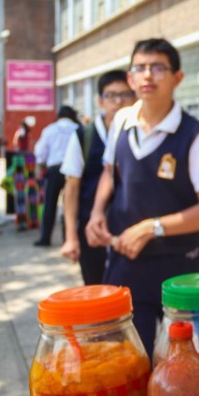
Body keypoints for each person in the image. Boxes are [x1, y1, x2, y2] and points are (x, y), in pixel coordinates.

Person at [86, 38, 199, 360]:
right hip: (125, 262)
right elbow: (110, 172)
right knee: (124, 361)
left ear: (177, 78)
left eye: (158, 67)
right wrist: (96, 213)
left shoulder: (196, 136)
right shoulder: (121, 121)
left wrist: (153, 227)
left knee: (185, 366)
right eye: (140, 68)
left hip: (178, 266)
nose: (148, 75)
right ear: (131, 78)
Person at [60, 71, 136, 284]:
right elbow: (72, 188)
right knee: (97, 293)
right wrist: (71, 237)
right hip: (92, 230)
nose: (119, 101)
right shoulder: (84, 136)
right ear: (100, 101)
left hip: (131, 230)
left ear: (135, 97)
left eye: (126, 94)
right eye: (111, 95)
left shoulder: (142, 133)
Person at [33, 106, 80, 246]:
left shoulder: (50, 129)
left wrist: (40, 166)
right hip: (73, 171)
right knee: (71, 205)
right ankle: (69, 239)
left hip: (54, 170)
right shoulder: (78, 128)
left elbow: (40, 152)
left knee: (50, 204)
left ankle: (45, 238)